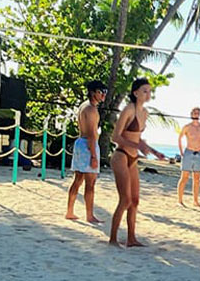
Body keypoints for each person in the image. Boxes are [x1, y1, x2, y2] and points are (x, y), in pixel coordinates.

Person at [109, 78, 166, 247]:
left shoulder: (144, 112)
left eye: (149, 91)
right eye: (145, 91)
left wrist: (154, 151)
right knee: (125, 199)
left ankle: (131, 238)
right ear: (135, 93)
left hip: (133, 158)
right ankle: (112, 238)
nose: (148, 94)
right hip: (121, 155)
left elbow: (138, 138)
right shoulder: (128, 109)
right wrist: (138, 146)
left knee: (135, 200)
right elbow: (115, 137)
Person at [65, 80, 107, 223]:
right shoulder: (90, 109)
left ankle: (69, 211)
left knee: (78, 180)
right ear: (93, 92)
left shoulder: (84, 106)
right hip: (87, 145)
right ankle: (89, 215)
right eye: (101, 92)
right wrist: (94, 156)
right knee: (90, 183)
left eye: (104, 92)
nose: (103, 95)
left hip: (81, 144)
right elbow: (91, 133)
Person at [177, 107, 200, 207]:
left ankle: (195, 201)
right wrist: (181, 151)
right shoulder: (187, 127)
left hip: (198, 154)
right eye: (194, 113)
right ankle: (180, 200)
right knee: (184, 177)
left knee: (197, 178)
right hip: (188, 152)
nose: (196, 114)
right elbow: (180, 138)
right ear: (191, 114)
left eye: (198, 113)